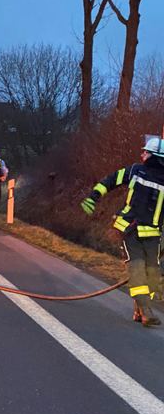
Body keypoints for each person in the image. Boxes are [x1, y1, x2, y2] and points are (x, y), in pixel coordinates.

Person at [82, 137, 164, 327]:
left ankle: (140, 307)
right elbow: (112, 180)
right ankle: (146, 311)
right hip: (129, 229)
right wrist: (94, 196)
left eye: (147, 152)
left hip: (153, 235)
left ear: (157, 157)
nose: (143, 155)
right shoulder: (136, 171)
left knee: (153, 274)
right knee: (136, 269)